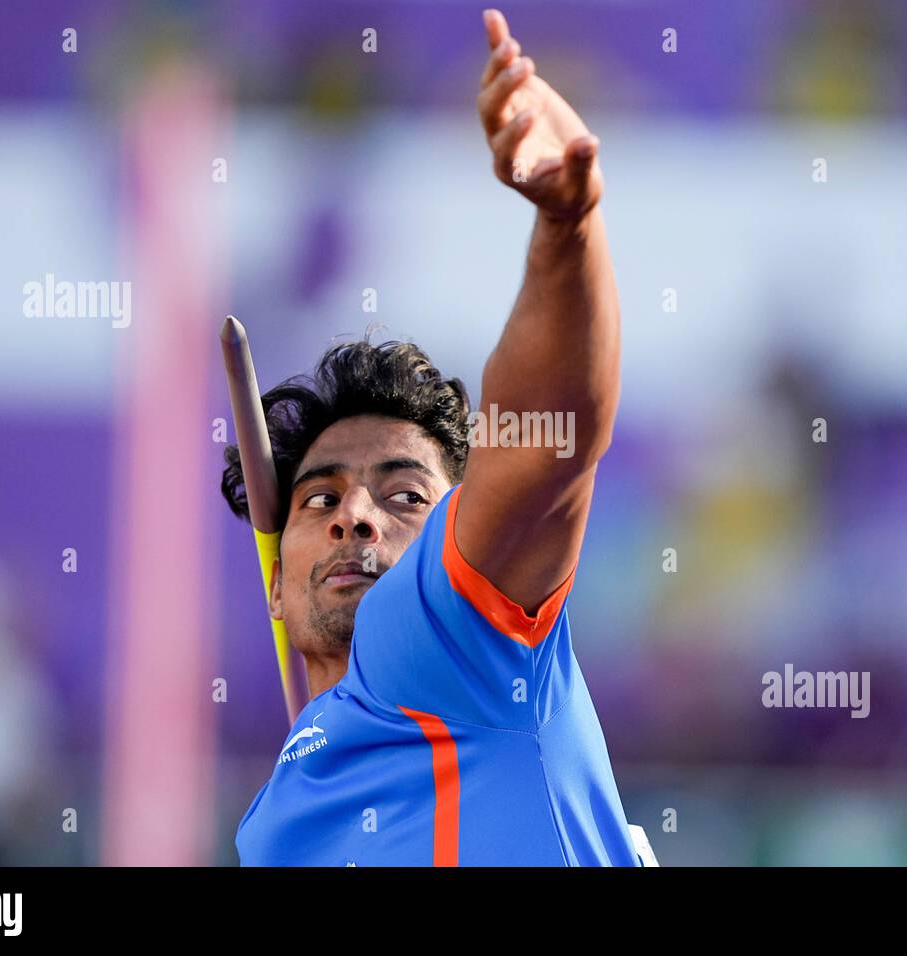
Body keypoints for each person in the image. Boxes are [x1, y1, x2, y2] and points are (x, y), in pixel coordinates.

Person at [224, 8, 643, 865]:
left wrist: (565, 229)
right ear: (274, 585)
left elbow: (548, 440)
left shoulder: (437, 636)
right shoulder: (272, 820)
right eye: (320, 498)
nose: (357, 518)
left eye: (406, 495)